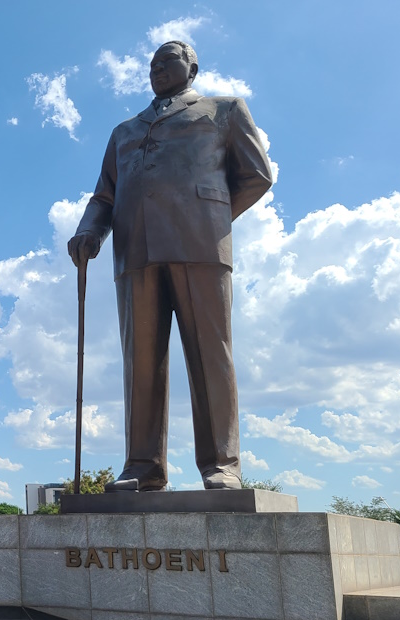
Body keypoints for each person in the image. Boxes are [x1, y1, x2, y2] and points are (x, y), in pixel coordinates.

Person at [67, 41, 272, 492]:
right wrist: (89, 231)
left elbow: (257, 175)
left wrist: (210, 216)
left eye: (168, 60)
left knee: (210, 355)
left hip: (201, 247)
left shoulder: (224, 110)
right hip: (136, 253)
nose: (158, 68)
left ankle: (222, 464)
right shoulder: (124, 131)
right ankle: (143, 466)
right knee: (140, 362)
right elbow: (104, 195)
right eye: (152, 64)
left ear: (192, 66)